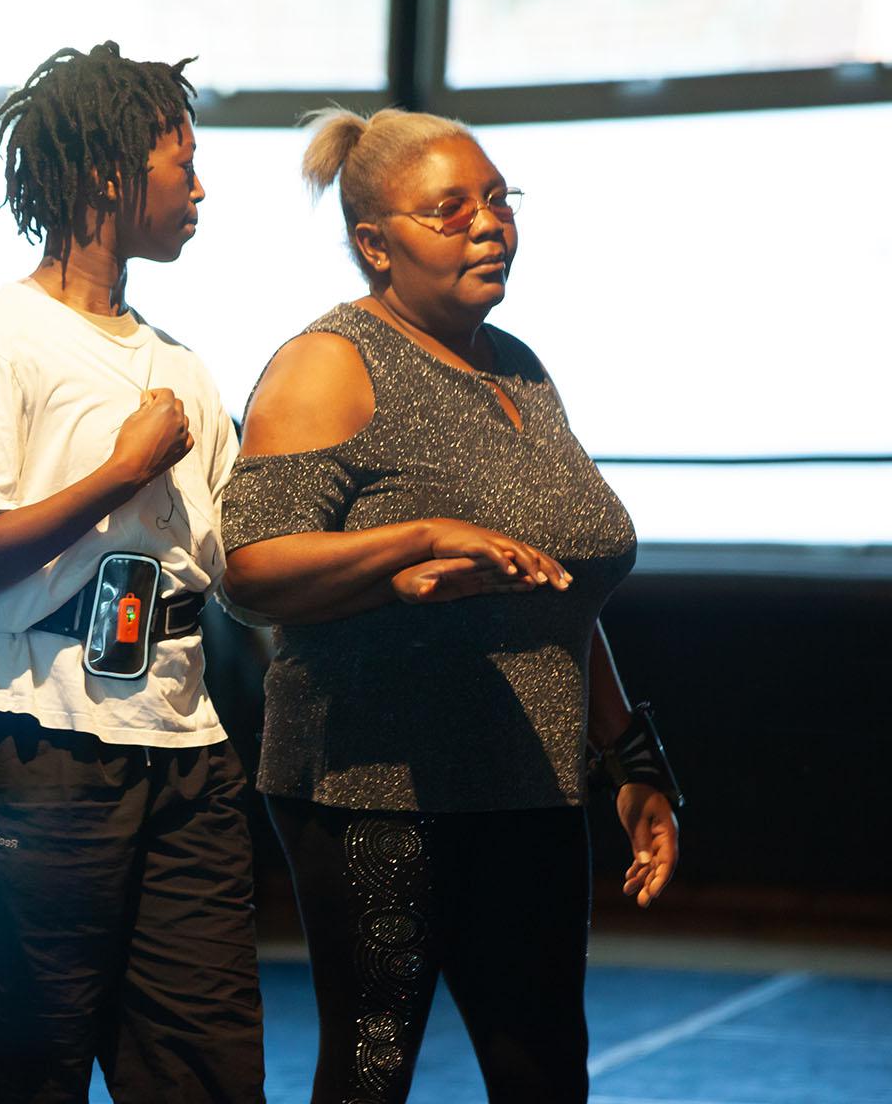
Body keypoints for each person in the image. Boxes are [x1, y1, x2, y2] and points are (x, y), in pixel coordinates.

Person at [220, 107, 683, 1104]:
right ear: (373, 243)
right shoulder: (329, 363)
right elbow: (249, 566)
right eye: (451, 209)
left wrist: (632, 762)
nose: (489, 224)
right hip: (374, 786)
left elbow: (564, 592)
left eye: (498, 200)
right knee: (374, 1069)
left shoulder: (517, 364)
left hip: (532, 782)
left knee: (547, 1070)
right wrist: (420, 537)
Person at [0, 42, 265, 1104]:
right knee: (16, 1069)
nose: (200, 187)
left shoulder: (184, 365)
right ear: (109, 173)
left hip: (183, 740)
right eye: (181, 161)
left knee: (205, 1067)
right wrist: (121, 470)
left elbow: (231, 565)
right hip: (31, 741)